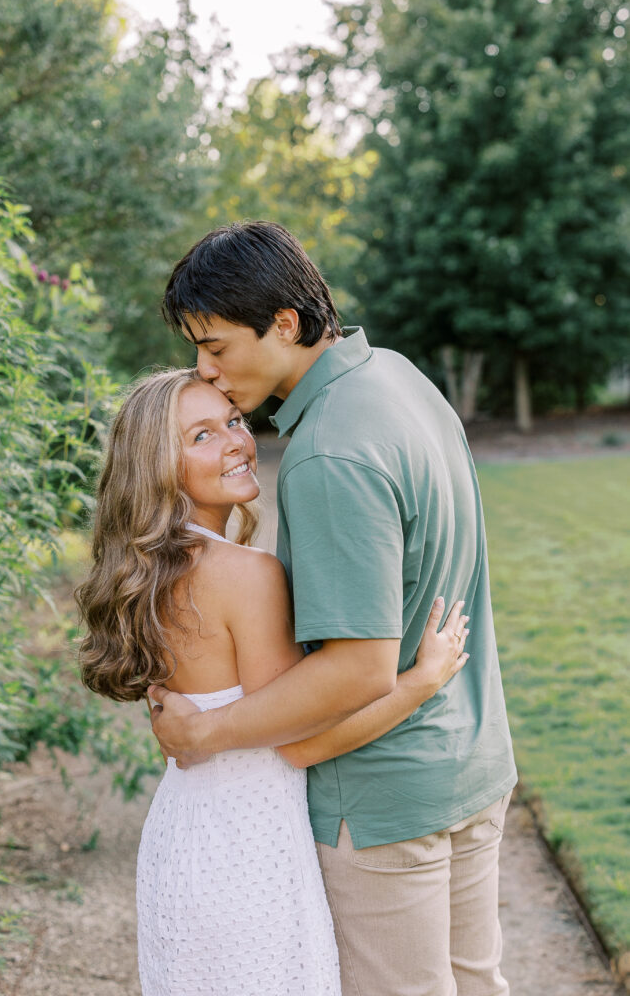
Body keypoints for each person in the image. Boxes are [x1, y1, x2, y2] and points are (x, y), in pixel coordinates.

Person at [150, 221, 519, 996]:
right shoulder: (397, 378)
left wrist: (206, 730)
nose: (206, 371)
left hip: (383, 802)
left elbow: (357, 670)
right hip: (473, 758)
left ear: (283, 324)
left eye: (215, 347)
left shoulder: (326, 454)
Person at [75, 367, 469, 996]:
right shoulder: (245, 574)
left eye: (232, 421)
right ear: (157, 465)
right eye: (201, 436)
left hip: (182, 837)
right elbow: (303, 740)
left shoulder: (151, 571)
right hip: (248, 849)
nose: (235, 440)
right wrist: (423, 680)